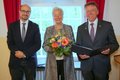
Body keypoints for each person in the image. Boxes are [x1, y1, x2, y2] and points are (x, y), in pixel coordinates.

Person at [76, 2, 119, 80]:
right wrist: (80, 55)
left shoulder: (107, 25)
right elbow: (78, 46)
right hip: (86, 67)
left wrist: (109, 50)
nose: (90, 13)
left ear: (97, 12)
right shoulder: (80, 28)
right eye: (87, 11)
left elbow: (115, 44)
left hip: (102, 66)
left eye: (92, 10)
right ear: (85, 13)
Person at [7, 4, 41, 80]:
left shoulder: (35, 26)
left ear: (30, 13)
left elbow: (37, 44)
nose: (25, 13)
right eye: (23, 11)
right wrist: (17, 52)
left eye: (28, 11)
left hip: (30, 62)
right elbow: (10, 42)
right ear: (19, 12)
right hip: (15, 62)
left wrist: (25, 54)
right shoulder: (12, 26)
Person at [43, 7, 76, 80]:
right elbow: (44, 45)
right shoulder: (49, 29)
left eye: (59, 15)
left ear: (63, 15)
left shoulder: (68, 28)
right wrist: (54, 48)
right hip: (52, 62)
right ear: (53, 16)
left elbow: (73, 43)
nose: (57, 17)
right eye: (55, 15)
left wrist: (65, 49)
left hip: (67, 61)